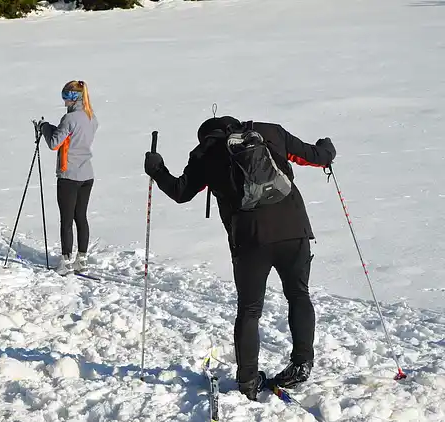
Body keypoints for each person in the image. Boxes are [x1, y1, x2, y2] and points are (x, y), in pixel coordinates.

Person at [143, 115, 336, 400]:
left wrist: (156, 169)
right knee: (298, 295)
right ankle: (302, 363)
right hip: (294, 229)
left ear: (206, 136)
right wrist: (327, 147)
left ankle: (247, 379)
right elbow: (317, 157)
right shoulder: (270, 132)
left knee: (249, 310)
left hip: (249, 240)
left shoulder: (204, 154)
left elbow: (181, 192)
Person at [36, 80, 99, 276]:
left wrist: (45, 128)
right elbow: (73, 137)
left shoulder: (69, 119)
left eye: (65, 97)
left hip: (69, 176)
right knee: (81, 217)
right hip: (87, 174)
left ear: (74, 98)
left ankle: (66, 262)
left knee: (66, 220)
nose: (64, 102)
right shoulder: (91, 117)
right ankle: (82, 259)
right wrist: (56, 128)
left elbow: (55, 143)